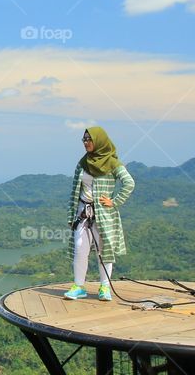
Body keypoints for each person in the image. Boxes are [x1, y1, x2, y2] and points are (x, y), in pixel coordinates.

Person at [63, 126, 135, 301]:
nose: (86, 142)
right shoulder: (83, 163)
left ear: (99, 141)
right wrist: (71, 214)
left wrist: (114, 201)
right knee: (80, 249)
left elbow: (129, 183)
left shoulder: (112, 163)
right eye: (84, 139)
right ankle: (79, 286)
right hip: (83, 212)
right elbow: (74, 189)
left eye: (89, 139)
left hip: (104, 214)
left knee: (104, 251)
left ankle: (105, 287)